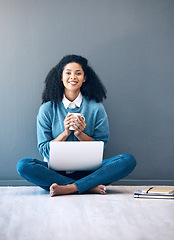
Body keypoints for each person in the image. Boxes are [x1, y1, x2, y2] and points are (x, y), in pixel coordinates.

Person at [17, 54, 136, 197]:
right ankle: (87, 187)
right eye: (68, 73)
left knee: (128, 160)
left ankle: (68, 188)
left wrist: (80, 134)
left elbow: (101, 145)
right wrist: (65, 133)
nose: (73, 77)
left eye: (78, 73)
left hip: (90, 171)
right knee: (24, 166)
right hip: (56, 172)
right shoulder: (47, 109)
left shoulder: (96, 108)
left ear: (84, 78)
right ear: (61, 77)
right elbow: (44, 151)